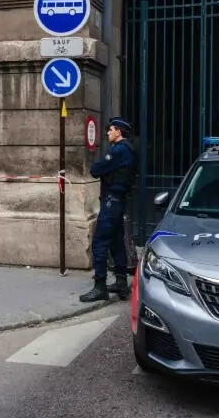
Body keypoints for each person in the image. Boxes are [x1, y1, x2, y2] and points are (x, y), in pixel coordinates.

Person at [80, 117, 137, 303]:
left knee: (99, 242)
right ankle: (121, 283)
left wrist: (102, 168)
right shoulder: (129, 149)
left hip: (111, 202)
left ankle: (100, 286)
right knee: (116, 243)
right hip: (119, 201)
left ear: (118, 132)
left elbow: (95, 170)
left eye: (110, 130)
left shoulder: (119, 150)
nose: (107, 133)